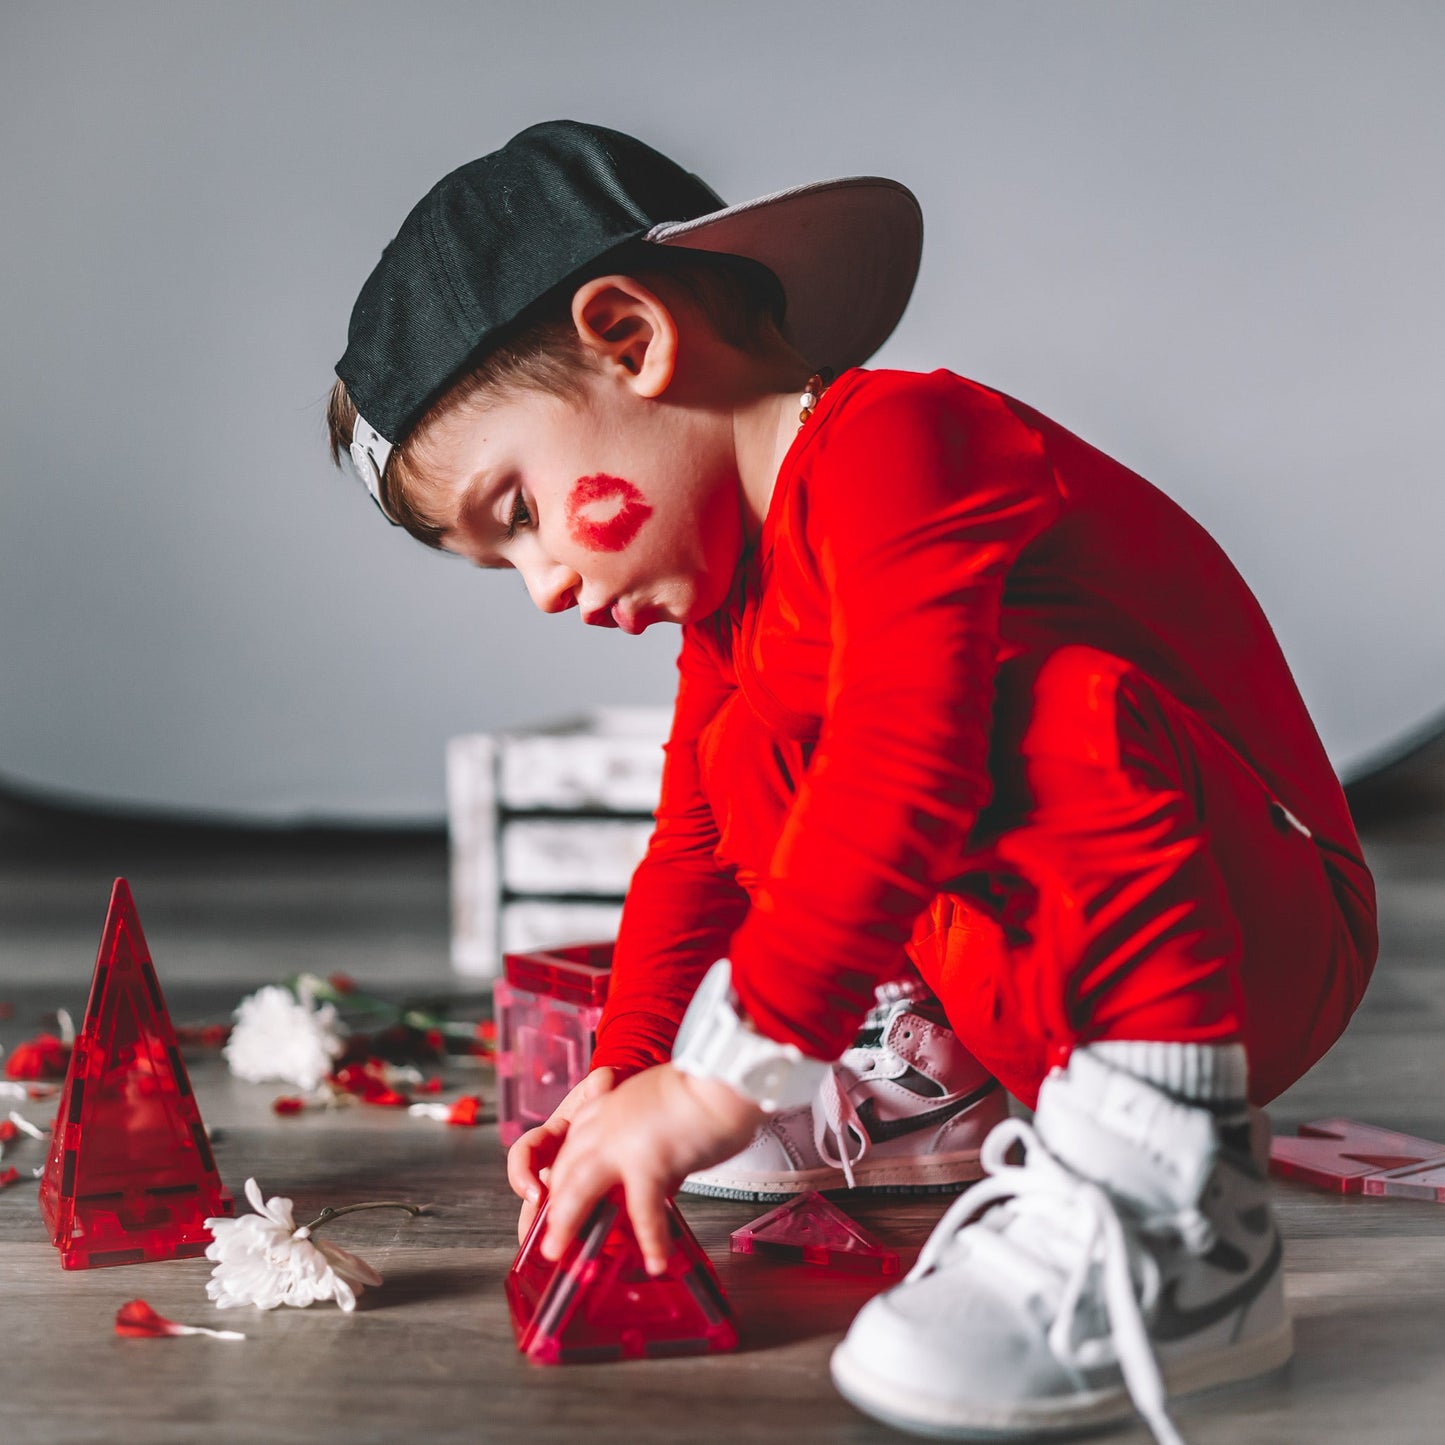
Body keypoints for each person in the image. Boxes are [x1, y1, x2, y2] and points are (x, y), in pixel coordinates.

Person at [329, 120, 1377, 1444]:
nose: (543, 588)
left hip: (1258, 933)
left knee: (1004, 712)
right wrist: (632, 1069)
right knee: (747, 756)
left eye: (519, 511)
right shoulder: (734, 612)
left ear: (630, 339)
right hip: (1043, 1011)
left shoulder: (899, 440)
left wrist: (723, 1082)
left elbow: (911, 754)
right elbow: (693, 854)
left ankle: (1185, 1233)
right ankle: (992, 1094)